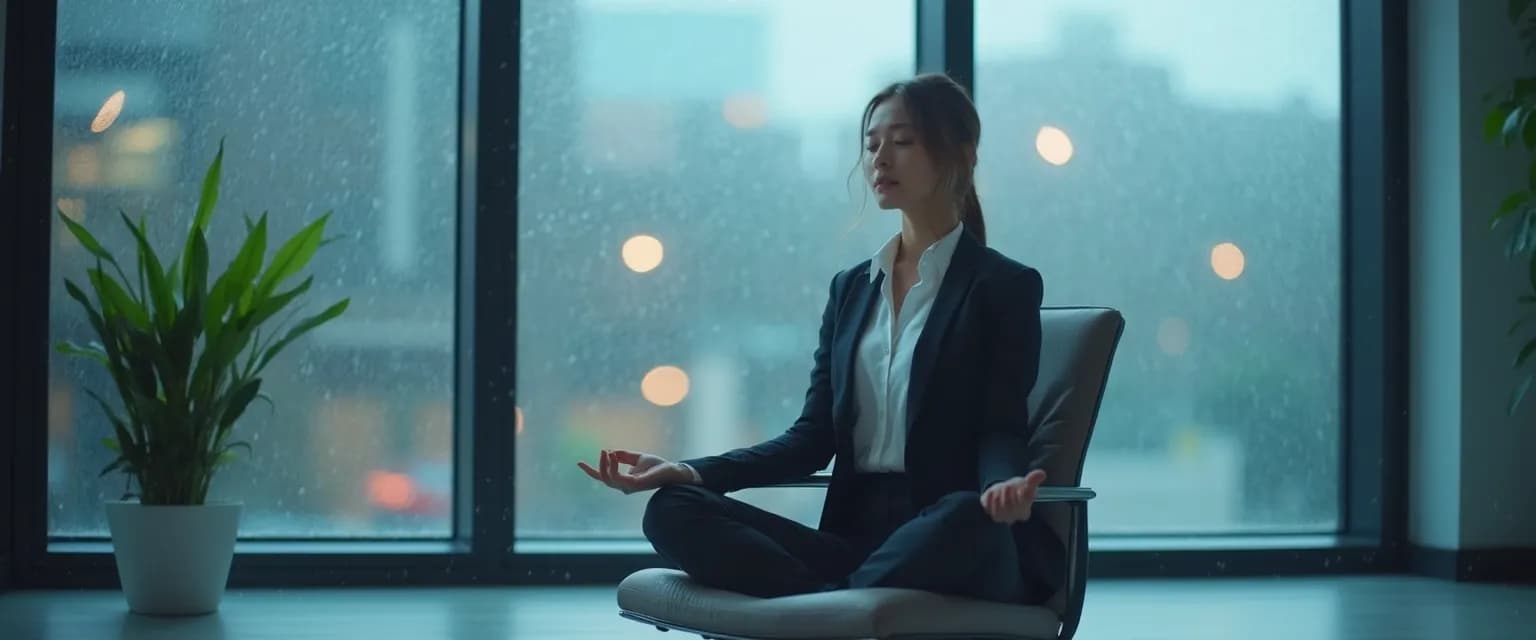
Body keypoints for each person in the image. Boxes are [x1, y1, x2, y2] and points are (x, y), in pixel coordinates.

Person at [577, 72, 1063, 605]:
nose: (880, 159)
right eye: (872, 144)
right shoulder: (852, 289)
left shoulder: (1002, 286)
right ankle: (833, 605)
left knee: (967, 515)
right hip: (855, 545)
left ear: (963, 154)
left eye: (902, 142)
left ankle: (819, 610)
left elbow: (1000, 426)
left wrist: (1001, 488)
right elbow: (811, 439)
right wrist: (692, 471)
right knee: (673, 507)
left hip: (945, 537)